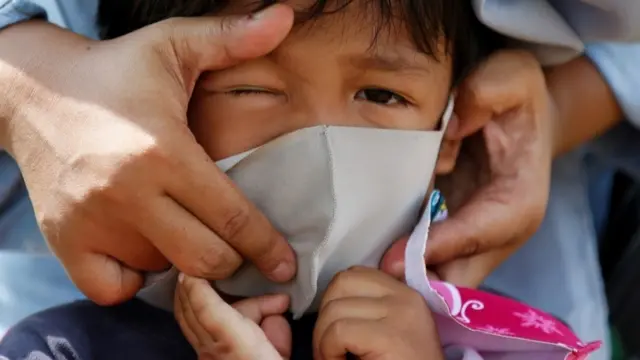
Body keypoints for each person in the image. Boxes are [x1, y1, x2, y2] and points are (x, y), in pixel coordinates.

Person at [1, 0, 503, 359]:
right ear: (152, 104)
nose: (319, 136)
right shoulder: (60, 348)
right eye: (251, 88)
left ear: (449, 136)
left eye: (381, 95)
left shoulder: (506, 344)